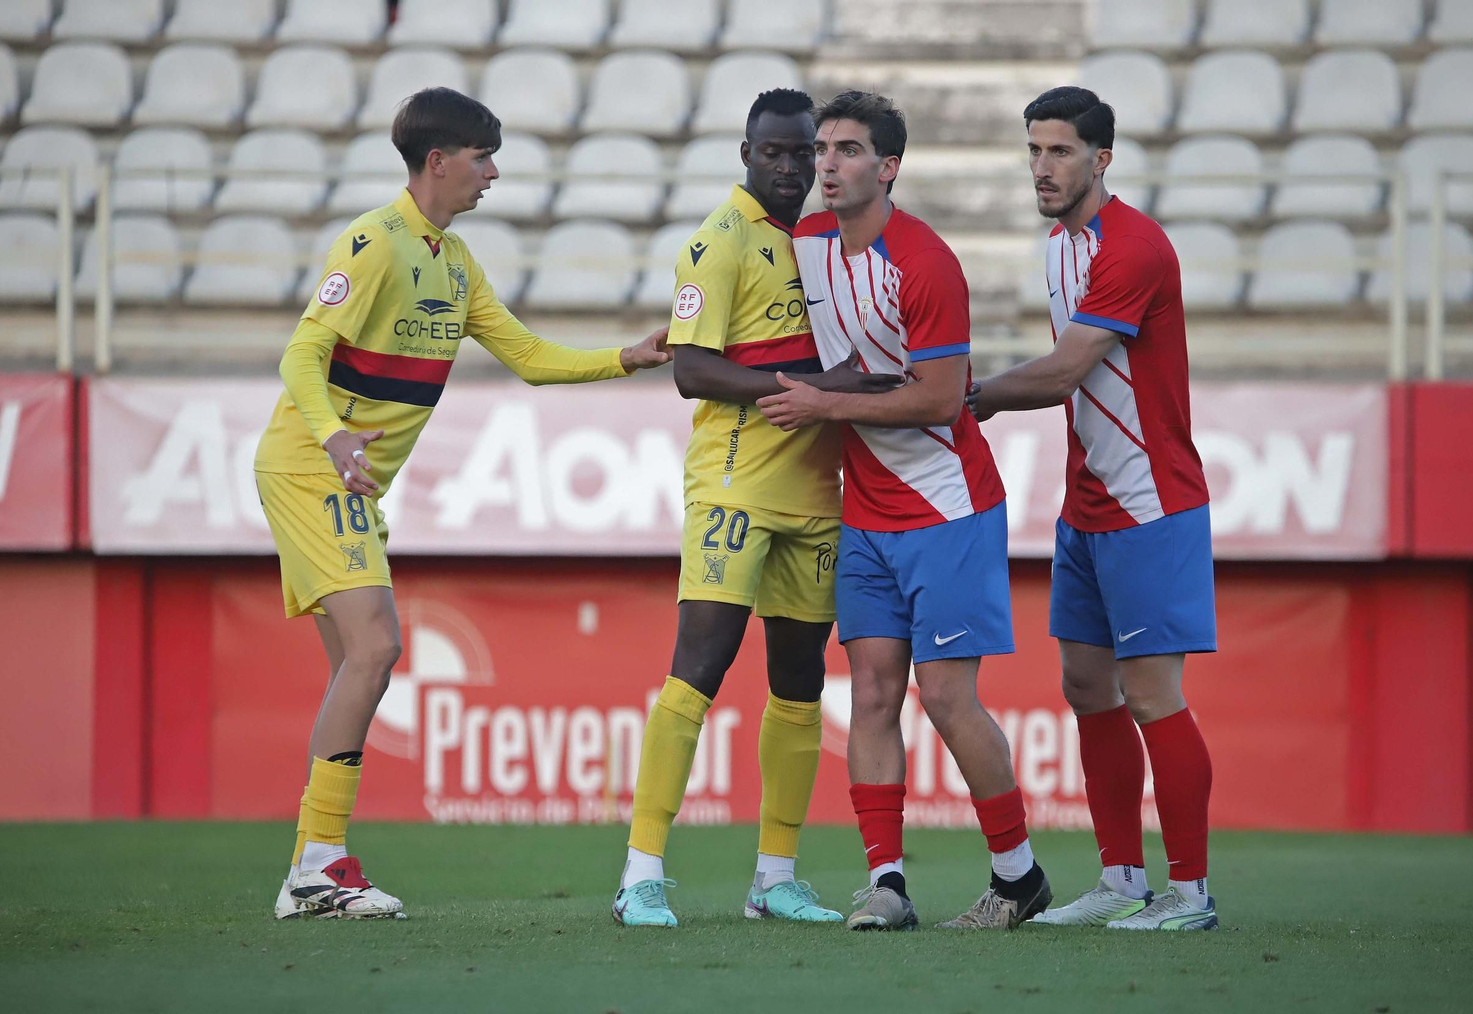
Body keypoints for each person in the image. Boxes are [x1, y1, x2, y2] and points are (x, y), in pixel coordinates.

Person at [256, 87, 670, 919]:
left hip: (343, 476)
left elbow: (530, 356)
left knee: (357, 664)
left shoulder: (453, 260)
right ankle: (316, 868)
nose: (494, 173)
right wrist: (336, 438)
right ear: (437, 161)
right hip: (311, 467)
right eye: (482, 157)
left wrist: (626, 358)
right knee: (377, 650)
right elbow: (302, 355)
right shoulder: (374, 243)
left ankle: (314, 864)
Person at [758, 90, 1052, 931]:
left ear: (888, 168)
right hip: (867, 517)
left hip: (949, 509)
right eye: (822, 149)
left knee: (948, 697)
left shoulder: (923, 261)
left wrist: (821, 406)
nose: (826, 164)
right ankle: (886, 883)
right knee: (874, 692)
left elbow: (937, 397)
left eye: (847, 150)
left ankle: (1017, 876)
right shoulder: (807, 242)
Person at [613, 89, 894, 929]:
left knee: (800, 686)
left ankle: (774, 876)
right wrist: (806, 389)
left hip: (815, 495)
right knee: (697, 669)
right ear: (746, 154)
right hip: (734, 486)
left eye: (804, 153)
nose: (791, 167)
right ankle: (640, 872)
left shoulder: (820, 243)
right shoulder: (717, 242)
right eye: (773, 152)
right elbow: (693, 369)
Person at [968, 86, 1218, 931]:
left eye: (1060, 151)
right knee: (1086, 686)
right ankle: (1121, 879)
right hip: (1086, 507)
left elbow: (1068, 369)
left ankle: (1191, 894)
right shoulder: (1055, 247)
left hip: (1151, 504)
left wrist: (970, 396)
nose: (1042, 167)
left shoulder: (1135, 247)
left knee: (1153, 695)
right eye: (1034, 150)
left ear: (1101, 158)